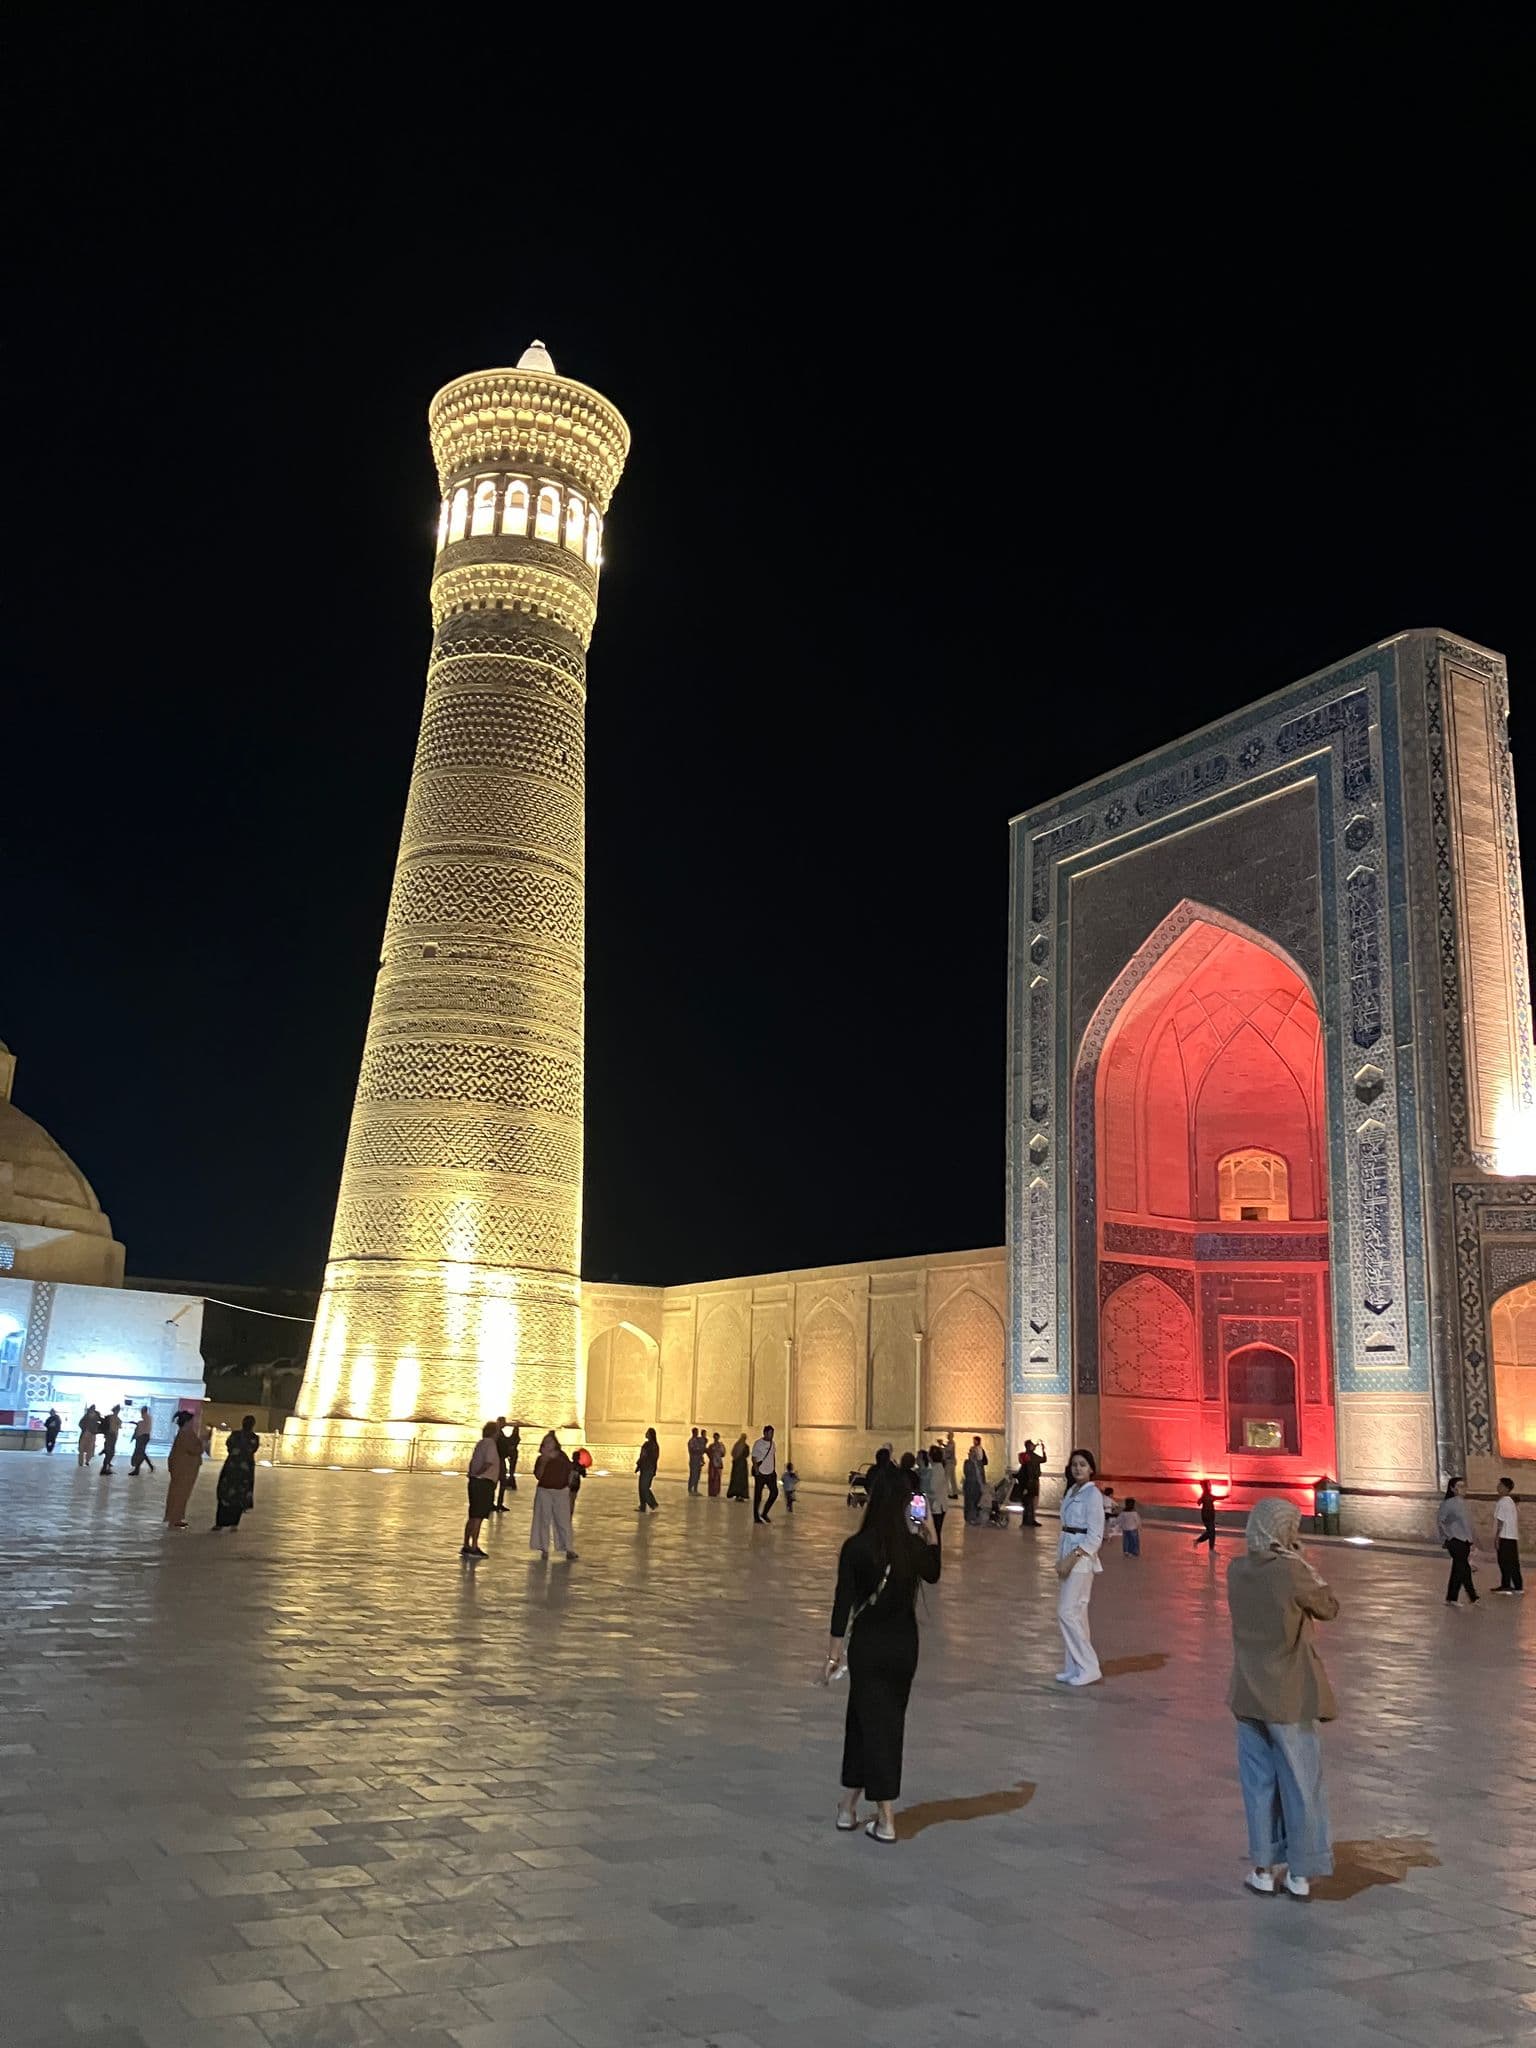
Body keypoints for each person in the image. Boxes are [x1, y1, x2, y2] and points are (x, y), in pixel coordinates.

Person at [1228, 1497, 1339, 1898]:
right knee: (1300, 1781)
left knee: (1257, 1783)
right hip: (1288, 1694)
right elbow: (1328, 1607)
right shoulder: (1291, 1573)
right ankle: (1300, 1871)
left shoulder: (1236, 1570)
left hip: (1246, 1693)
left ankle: (1261, 1866)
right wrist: (1303, 1563)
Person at [828, 1465, 942, 1843]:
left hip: (869, 1649)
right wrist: (930, 1531)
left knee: (878, 1727)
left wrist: (833, 1653)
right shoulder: (911, 1549)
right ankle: (847, 1807)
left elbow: (842, 1604)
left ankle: (886, 1817)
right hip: (903, 1649)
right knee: (870, 1722)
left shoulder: (856, 1547)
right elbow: (934, 1572)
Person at [1056, 1448, 1106, 1685]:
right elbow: (1065, 1528)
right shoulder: (1071, 1491)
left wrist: (1072, 1557)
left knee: (1066, 1611)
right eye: (1074, 1464)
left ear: (1091, 1469)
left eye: (1083, 1464)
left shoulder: (1093, 1495)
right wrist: (1060, 1557)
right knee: (1077, 1613)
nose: (1078, 1468)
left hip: (1081, 1560)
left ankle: (1088, 1665)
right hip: (1067, 1553)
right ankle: (1074, 1666)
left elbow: (1095, 1536)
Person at [531, 1435, 578, 1561]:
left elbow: (570, 1471)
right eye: (546, 1442)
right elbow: (539, 1476)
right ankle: (544, 1548)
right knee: (543, 1519)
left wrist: (568, 1488)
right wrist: (544, 1462)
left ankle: (568, 1548)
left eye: (550, 1442)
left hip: (561, 1491)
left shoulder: (562, 1457)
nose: (548, 1444)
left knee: (563, 1520)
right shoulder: (541, 1459)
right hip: (544, 1491)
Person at [212, 1416, 260, 1530]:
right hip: (245, 1470)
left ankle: (220, 1523)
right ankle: (234, 1523)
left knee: (226, 1493)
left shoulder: (235, 1435)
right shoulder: (253, 1438)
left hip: (231, 1467)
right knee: (239, 1495)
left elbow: (229, 1445)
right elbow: (253, 1449)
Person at [1438, 1476, 1479, 1605]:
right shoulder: (1449, 1504)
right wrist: (1447, 1536)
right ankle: (1472, 1596)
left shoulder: (1464, 1504)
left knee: (1458, 1569)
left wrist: (1472, 1540)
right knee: (1464, 1568)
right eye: (1460, 1486)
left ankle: (1452, 1597)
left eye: (1464, 1486)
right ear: (1453, 1489)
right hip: (1455, 1540)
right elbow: (1441, 1521)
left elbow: (1468, 1524)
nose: (1463, 1489)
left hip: (1465, 1540)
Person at [462, 1421, 499, 1558]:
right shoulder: (490, 1444)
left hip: (476, 1482)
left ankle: (466, 1544)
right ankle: (474, 1546)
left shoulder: (481, 1443)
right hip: (483, 1483)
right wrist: (479, 1473)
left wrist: (473, 1474)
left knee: (473, 1514)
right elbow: (488, 1462)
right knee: (478, 1516)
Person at [162, 1411, 202, 1529]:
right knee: (180, 1494)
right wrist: (202, 1443)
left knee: (178, 1493)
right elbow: (195, 1449)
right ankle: (175, 1518)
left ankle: (175, 1517)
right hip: (184, 1469)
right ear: (187, 1422)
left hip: (182, 1468)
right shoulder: (186, 1434)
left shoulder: (184, 1433)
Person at [1494, 1477, 1523, 1594]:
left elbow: (1500, 1521)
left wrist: (1497, 1537)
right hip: (1513, 1536)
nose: (1498, 1487)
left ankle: (1506, 1585)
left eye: (1500, 1485)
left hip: (1505, 1536)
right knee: (1513, 1562)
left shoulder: (1502, 1501)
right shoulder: (1510, 1501)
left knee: (1504, 1561)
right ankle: (1518, 1586)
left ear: (1506, 1488)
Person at [752, 1423, 779, 1523]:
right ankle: (756, 1516)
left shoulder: (773, 1444)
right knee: (758, 1495)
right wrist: (756, 1470)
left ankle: (765, 1513)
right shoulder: (758, 1443)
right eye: (770, 1433)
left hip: (770, 1473)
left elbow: (773, 1456)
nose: (771, 1435)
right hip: (761, 1473)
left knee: (774, 1493)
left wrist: (774, 1469)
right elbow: (754, 1457)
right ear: (765, 1433)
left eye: (772, 1433)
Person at [919, 1447, 947, 1543]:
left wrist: (924, 1492)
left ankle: (935, 1556)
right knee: (935, 1534)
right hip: (938, 1505)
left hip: (936, 1506)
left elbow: (933, 1489)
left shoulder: (936, 1470)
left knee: (934, 1534)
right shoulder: (938, 1468)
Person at [1018, 1437, 1045, 1526]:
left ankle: (1026, 1520)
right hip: (1032, 1482)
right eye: (1032, 1445)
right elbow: (1043, 1459)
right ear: (1029, 1446)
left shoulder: (1024, 1455)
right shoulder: (1033, 1456)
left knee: (1026, 1502)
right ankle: (1030, 1520)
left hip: (1025, 1482)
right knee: (1031, 1502)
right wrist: (1043, 1450)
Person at [492, 1417, 514, 1512]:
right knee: (499, 1482)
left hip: (500, 1460)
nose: (505, 1424)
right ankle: (495, 1504)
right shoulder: (497, 1434)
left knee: (500, 1482)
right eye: (503, 1422)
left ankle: (496, 1504)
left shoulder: (499, 1433)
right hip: (498, 1460)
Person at [636, 1428, 661, 1512]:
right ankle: (643, 1506)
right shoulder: (649, 1445)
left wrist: (640, 1464)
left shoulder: (651, 1445)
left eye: (647, 1433)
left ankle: (652, 1503)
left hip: (648, 1469)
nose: (645, 1434)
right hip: (645, 1468)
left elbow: (646, 1457)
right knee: (642, 1487)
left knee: (644, 1487)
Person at [962, 1445, 985, 1526]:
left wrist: (983, 1485)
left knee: (977, 1501)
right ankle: (969, 1517)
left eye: (974, 1452)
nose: (972, 1454)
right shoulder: (967, 1463)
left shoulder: (980, 1463)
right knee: (969, 1501)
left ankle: (975, 1516)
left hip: (978, 1485)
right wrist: (973, 1462)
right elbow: (967, 1472)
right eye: (971, 1452)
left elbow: (982, 1475)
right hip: (970, 1484)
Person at [129, 1406, 155, 1474]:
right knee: (142, 1453)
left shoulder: (145, 1417)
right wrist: (136, 1423)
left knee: (140, 1453)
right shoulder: (149, 1418)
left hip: (142, 1437)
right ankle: (150, 1466)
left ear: (143, 1411)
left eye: (141, 1410)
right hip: (145, 1437)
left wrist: (136, 1424)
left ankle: (137, 1470)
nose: (141, 1412)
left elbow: (141, 1426)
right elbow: (144, 1425)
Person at [1194, 1480, 1219, 1551]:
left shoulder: (1206, 1494)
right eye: (1208, 1484)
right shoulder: (1206, 1494)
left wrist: (1200, 1501)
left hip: (1209, 1515)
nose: (1210, 1486)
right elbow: (1214, 1498)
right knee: (1211, 1532)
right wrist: (1225, 1496)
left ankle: (1199, 1542)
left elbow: (1199, 1502)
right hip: (1207, 1515)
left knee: (1211, 1532)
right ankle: (1209, 1547)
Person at [99, 1404, 123, 1474]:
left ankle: (105, 1467)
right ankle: (104, 1469)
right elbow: (118, 1427)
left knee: (110, 1452)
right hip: (112, 1435)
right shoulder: (116, 1419)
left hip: (111, 1436)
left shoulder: (110, 1417)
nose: (118, 1411)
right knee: (110, 1453)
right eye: (118, 1410)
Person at [727, 1432, 751, 1501]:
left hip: (739, 1465)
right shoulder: (742, 1446)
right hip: (740, 1465)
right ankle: (738, 1494)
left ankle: (741, 1495)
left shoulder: (741, 1446)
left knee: (740, 1480)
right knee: (737, 1480)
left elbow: (734, 1453)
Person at [687, 1427, 707, 1494]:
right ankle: (690, 1489)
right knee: (693, 1474)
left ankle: (695, 1489)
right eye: (696, 1432)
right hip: (693, 1460)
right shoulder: (691, 1441)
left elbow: (703, 1444)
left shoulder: (698, 1440)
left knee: (697, 1475)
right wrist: (700, 1450)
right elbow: (693, 1450)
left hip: (698, 1460)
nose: (697, 1433)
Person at [707, 1431, 726, 1497]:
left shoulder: (721, 1446)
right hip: (712, 1464)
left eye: (717, 1437)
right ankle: (711, 1492)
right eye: (715, 1438)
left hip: (718, 1464)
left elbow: (723, 1454)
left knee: (717, 1478)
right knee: (712, 1477)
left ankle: (716, 1491)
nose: (716, 1439)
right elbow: (708, 1453)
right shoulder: (711, 1446)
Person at [942, 1431, 958, 1501]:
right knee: (952, 1479)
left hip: (950, 1462)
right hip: (951, 1462)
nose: (947, 1436)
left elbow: (948, 1450)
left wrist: (942, 1448)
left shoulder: (951, 1443)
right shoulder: (950, 1443)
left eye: (948, 1435)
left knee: (947, 1478)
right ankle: (954, 1493)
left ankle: (946, 1493)